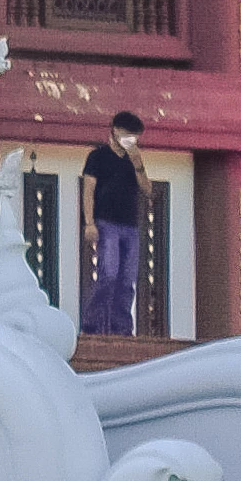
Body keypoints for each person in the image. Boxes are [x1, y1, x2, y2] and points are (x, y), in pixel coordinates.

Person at [82, 109, 152, 335]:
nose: (131, 140)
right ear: (115, 130)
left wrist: (138, 164)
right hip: (106, 224)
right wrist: (89, 222)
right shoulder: (97, 156)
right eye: (127, 134)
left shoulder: (134, 160)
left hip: (130, 226)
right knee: (108, 274)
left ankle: (122, 327)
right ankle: (93, 323)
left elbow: (147, 190)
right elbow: (88, 190)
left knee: (127, 280)